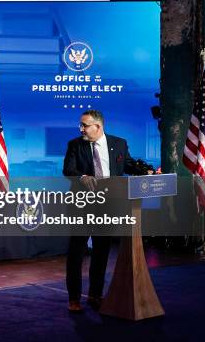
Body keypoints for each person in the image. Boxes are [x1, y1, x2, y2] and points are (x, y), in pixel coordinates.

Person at [62, 110, 137, 312]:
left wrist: (147, 171)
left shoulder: (119, 143)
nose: (81, 129)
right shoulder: (75, 145)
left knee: (101, 252)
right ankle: (74, 298)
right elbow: (68, 170)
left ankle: (96, 295)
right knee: (76, 253)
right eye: (81, 125)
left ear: (98, 126)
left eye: (85, 125)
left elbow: (128, 165)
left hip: (108, 205)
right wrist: (81, 177)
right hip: (81, 205)